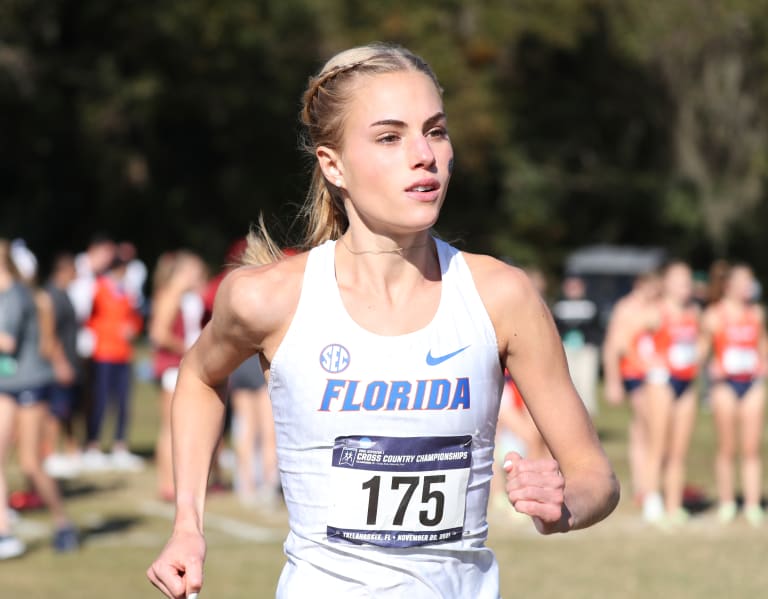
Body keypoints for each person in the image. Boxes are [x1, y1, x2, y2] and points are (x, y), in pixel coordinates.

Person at [147, 43, 619, 598]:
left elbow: (596, 477)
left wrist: (566, 504)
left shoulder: (502, 296)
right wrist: (187, 526)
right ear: (333, 164)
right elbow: (199, 377)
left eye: (436, 131)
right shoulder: (269, 299)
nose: (424, 155)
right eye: (390, 137)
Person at [0, 239, 79, 559]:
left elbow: (7, 342)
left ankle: (62, 523)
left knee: (31, 463)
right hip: (6, 383)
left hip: (31, 384)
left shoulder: (16, 295)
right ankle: (4, 533)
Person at [701, 264, 767, 526]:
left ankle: (752, 503)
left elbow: (762, 346)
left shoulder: (757, 313)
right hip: (725, 386)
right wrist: (710, 366)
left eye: (750, 282)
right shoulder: (714, 316)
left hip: (751, 383)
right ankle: (728, 502)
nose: (748, 287)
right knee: (727, 447)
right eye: (743, 282)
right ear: (729, 286)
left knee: (751, 447)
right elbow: (702, 351)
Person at [643, 261, 701, 525]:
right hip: (661, 383)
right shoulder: (655, 312)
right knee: (658, 444)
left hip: (686, 382)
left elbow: (702, 342)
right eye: (678, 281)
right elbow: (630, 341)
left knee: (679, 448)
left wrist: (699, 356)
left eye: (688, 281)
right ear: (666, 283)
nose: (684, 287)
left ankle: (674, 504)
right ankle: (652, 497)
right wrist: (650, 362)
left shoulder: (694, 312)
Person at [149, 251, 207, 500]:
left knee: (187, 426)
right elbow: (158, 333)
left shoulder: (186, 296)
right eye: (194, 271)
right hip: (173, 367)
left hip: (184, 365)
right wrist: (188, 348)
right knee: (171, 427)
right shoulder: (170, 294)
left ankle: (184, 482)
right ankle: (166, 483)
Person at [602, 271, 660, 511]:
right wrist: (613, 382)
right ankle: (646, 487)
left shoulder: (657, 306)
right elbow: (613, 346)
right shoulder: (626, 308)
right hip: (635, 374)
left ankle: (644, 484)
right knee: (648, 428)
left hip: (656, 375)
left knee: (642, 431)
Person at [82, 255, 144, 471]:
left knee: (123, 403)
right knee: (99, 401)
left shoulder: (126, 292)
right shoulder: (98, 289)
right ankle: (93, 446)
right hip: (103, 353)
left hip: (123, 354)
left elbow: (135, 319)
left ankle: (120, 446)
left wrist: (133, 329)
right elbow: (87, 316)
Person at [42, 253, 82, 479]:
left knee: (68, 410)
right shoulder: (51, 296)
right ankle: (50, 453)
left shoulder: (65, 294)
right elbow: (50, 333)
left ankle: (71, 451)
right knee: (55, 411)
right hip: (59, 362)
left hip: (71, 359)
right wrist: (59, 362)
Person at [552, 275, 601, 414]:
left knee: (586, 384)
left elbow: (597, 329)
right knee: (569, 383)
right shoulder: (559, 306)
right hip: (566, 349)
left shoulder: (591, 305)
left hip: (586, 350)